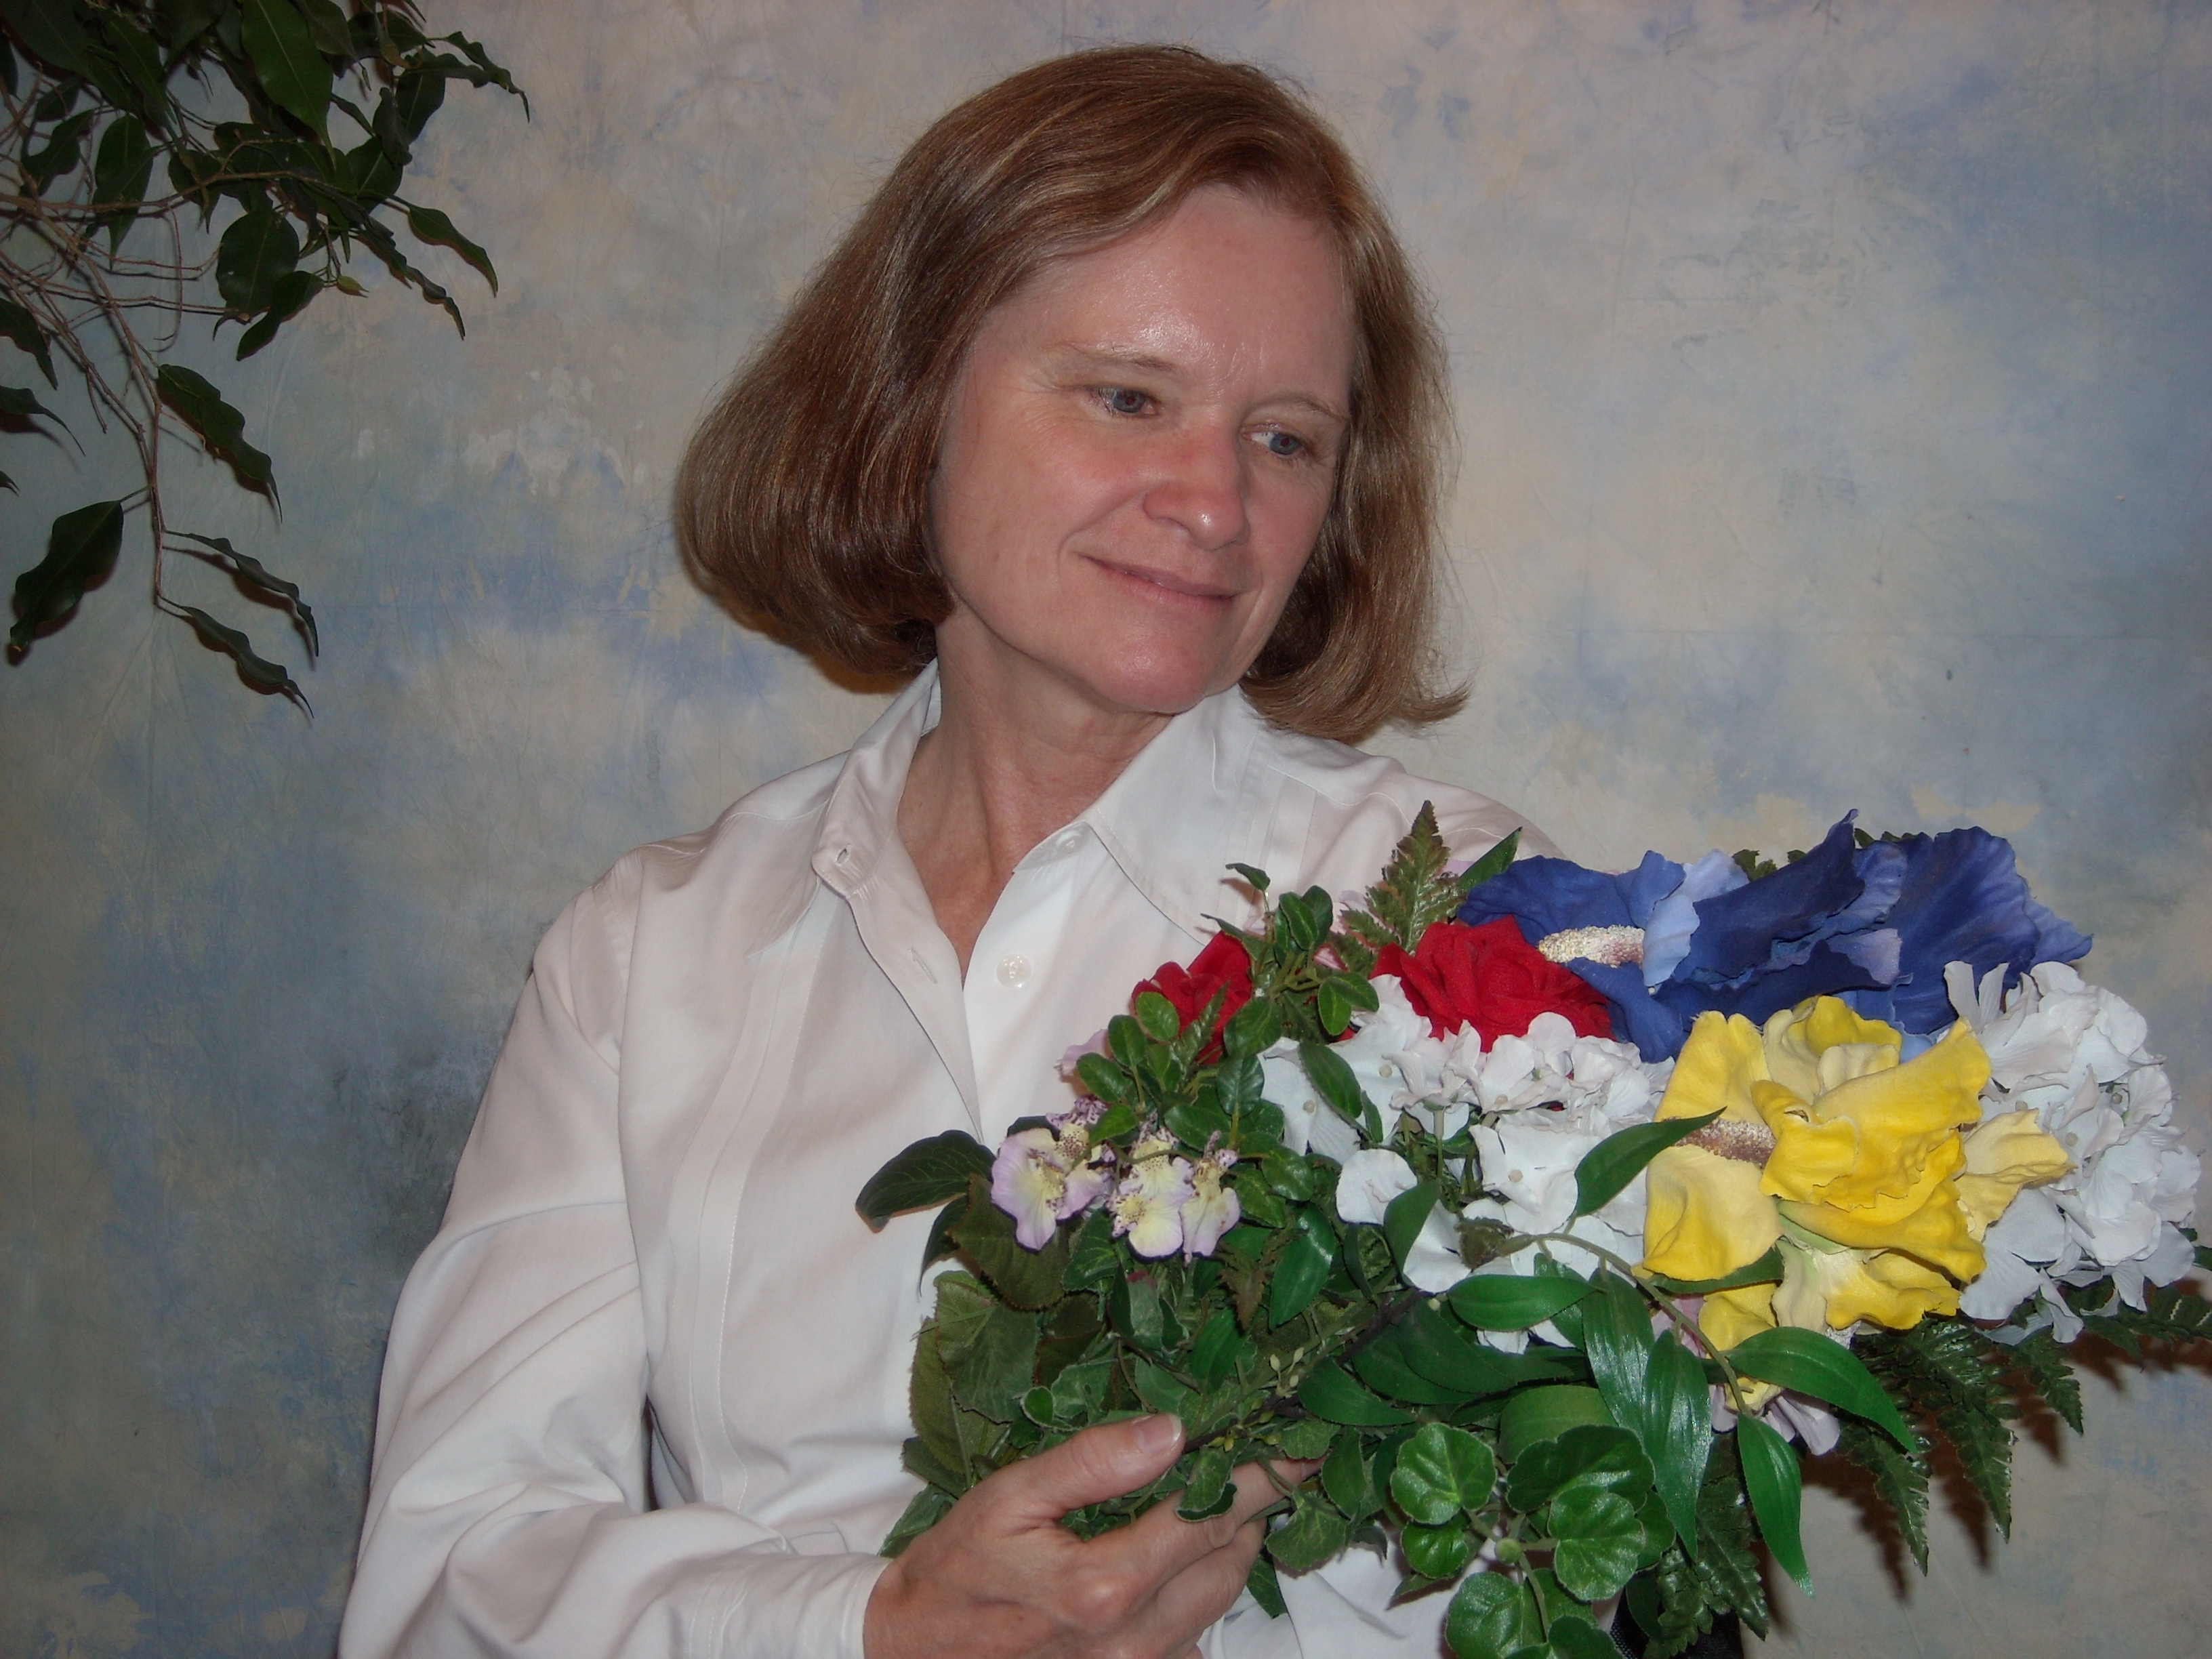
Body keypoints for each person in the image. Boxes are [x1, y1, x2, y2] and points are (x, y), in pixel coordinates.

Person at [340, 45, 1555, 1659]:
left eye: (1285, 439)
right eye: (1129, 398)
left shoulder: (1465, 920)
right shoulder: (648, 958)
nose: (1215, 505)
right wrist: (863, 1628)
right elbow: (451, 1576)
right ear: (912, 401)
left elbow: (1550, 1565)